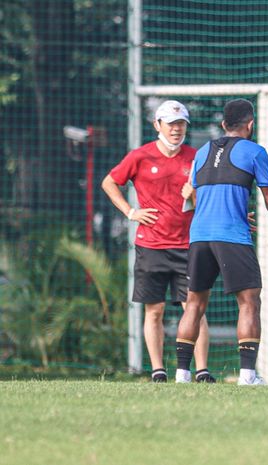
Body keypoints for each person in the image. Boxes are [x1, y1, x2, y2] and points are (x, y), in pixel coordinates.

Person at [174, 98, 268, 385]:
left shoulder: (202, 151)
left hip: (200, 236)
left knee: (194, 304)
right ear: (250, 124)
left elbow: (191, 194)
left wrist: (223, 209)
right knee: (249, 301)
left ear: (222, 124)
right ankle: (247, 375)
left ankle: (181, 374)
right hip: (232, 236)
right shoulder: (255, 151)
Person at [102, 100, 215, 383]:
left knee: (194, 308)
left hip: (189, 244)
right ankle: (158, 371)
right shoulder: (140, 156)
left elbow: (206, 203)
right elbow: (109, 182)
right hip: (151, 245)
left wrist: (193, 195)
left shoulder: (197, 157)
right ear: (157, 125)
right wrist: (130, 212)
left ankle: (200, 370)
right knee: (155, 310)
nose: (177, 129)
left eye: (181, 124)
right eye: (171, 124)